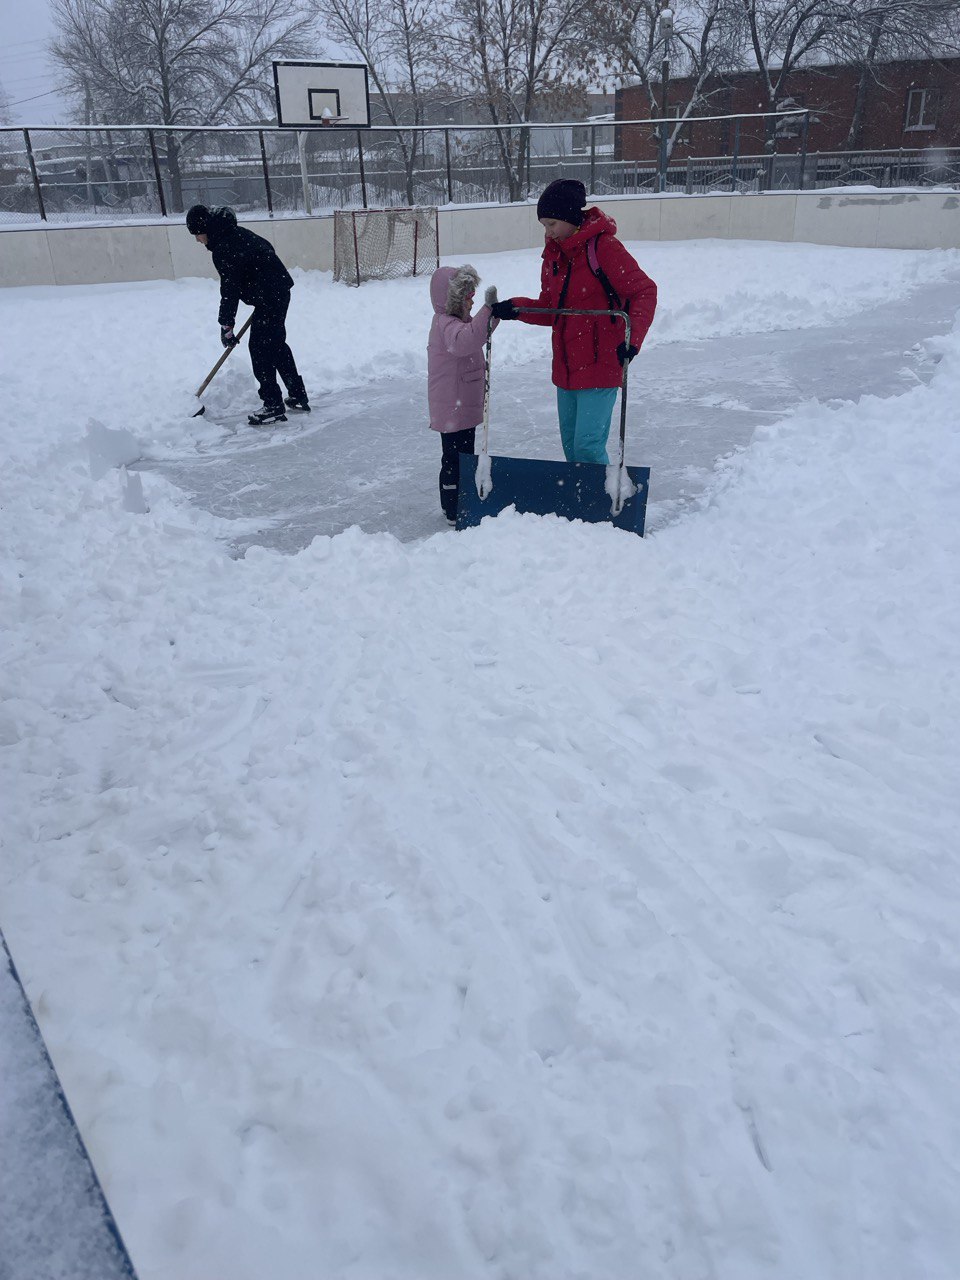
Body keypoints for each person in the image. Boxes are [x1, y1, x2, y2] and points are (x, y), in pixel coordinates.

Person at [491, 179, 657, 466]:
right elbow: (552, 308)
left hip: (602, 363)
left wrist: (632, 340)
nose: (548, 231)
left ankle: (600, 503)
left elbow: (644, 291)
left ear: (570, 217)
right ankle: (580, 504)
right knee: (571, 446)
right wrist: (515, 308)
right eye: (544, 225)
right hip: (566, 368)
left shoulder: (603, 248)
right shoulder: (554, 257)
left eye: (552, 223)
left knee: (588, 447)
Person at [186, 205, 309, 426]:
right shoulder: (235, 234)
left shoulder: (224, 247)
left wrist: (226, 324)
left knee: (260, 349)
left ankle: (273, 405)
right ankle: (297, 394)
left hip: (270, 296)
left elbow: (230, 288)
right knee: (276, 345)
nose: (197, 240)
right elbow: (266, 251)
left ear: (205, 228)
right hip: (277, 291)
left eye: (197, 234)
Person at [427, 264, 498, 525]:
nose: (472, 300)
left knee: (463, 456)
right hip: (451, 406)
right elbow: (465, 341)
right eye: (467, 296)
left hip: (460, 405)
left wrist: (493, 315)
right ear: (452, 299)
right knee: (454, 459)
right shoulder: (446, 324)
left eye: (472, 295)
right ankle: (452, 507)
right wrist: (488, 311)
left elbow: (475, 333)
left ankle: (462, 498)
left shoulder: (458, 322)